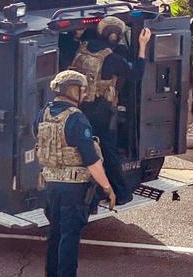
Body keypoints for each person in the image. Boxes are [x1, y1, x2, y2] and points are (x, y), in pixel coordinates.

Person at [34, 70, 117, 277]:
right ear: (72, 90)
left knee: (54, 233)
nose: (84, 93)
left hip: (50, 185)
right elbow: (92, 160)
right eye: (81, 89)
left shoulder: (43, 113)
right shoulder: (77, 119)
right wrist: (108, 188)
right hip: (73, 189)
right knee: (69, 237)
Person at [70, 16, 152, 204]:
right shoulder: (112, 59)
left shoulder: (82, 48)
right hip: (101, 110)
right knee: (108, 150)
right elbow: (137, 74)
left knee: (85, 149)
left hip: (79, 106)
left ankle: (94, 192)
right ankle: (122, 194)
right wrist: (142, 46)